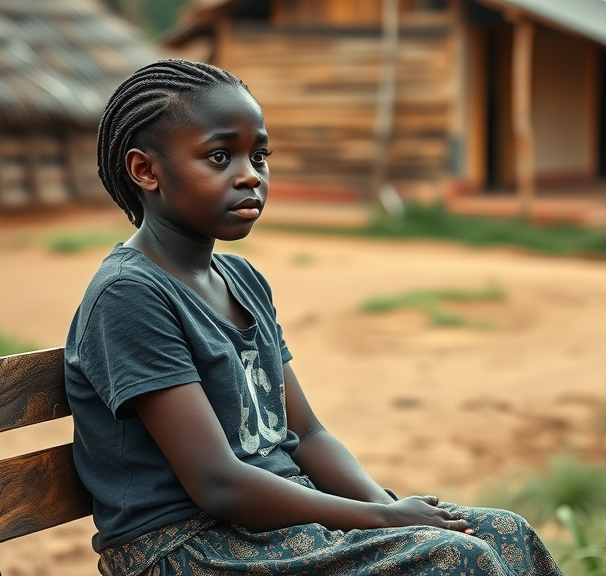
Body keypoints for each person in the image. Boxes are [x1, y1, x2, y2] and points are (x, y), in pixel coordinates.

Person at [65, 59, 564, 576]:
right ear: (146, 170)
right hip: (183, 547)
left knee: (507, 533)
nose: (250, 176)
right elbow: (218, 483)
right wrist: (380, 516)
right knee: (459, 561)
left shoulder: (242, 281)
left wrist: (392, 514)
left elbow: (307, 433)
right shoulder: (130, 295)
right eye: (219, 157)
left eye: (259, 155)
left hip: (272, 521)